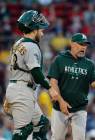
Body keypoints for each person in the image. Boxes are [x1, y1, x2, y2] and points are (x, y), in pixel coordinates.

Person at [4, 10, 59, 140]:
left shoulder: (18, 43)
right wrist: (50, 88)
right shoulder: (31, 46)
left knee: (42, 123)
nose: (42, 32)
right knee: (22, 131)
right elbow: (36, 72)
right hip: (22, 91)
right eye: (40, 29)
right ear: (33, 29)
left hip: (19, 88)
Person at [48, 33, 95, 140]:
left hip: (79, 108)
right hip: (59, 108)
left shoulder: (89, 64)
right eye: (80, 44)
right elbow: (53, 83)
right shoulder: (60, 59)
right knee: (57, 138)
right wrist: (61, 102)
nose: (83, 47)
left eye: (85, 45)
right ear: (72, 44)